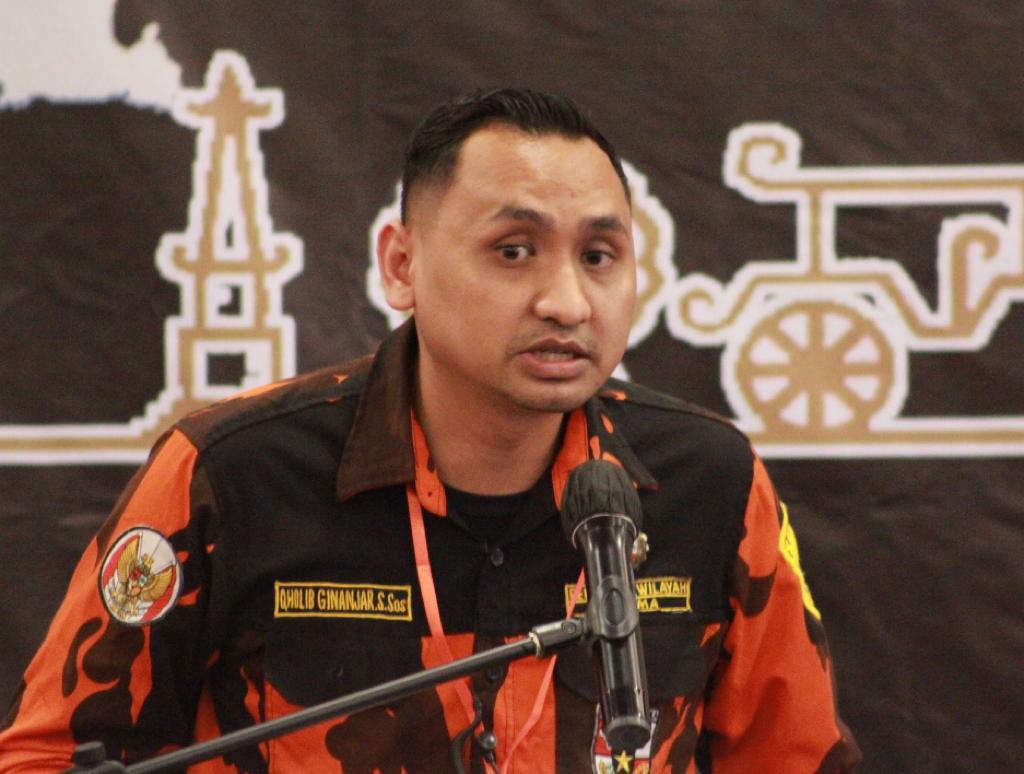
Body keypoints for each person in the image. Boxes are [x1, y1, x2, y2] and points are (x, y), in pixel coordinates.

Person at [0, 88, 861, 772]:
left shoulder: (707, 482)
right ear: (401, 265)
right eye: (514, 250)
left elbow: (796, 759)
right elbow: (49, 758)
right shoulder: (231, 474)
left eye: (599, 256)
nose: (567, 301)